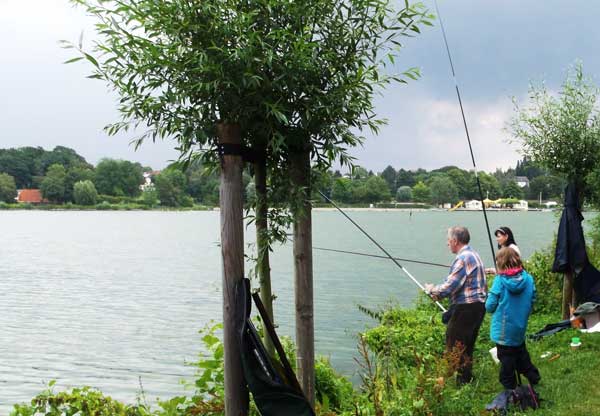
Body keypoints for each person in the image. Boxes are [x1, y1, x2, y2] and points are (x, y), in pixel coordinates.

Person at [425, 226, 487, 384]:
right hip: (478, 306)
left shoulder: (463, 258)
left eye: (448, 240)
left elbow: (450, 285)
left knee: (454, 343)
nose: (447, 244)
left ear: (455, 240)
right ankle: (465, 379)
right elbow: (457, 285)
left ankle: (449, 381)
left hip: (466, 307)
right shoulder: (474, 254)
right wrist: (439, 294)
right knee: (467, 344)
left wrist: (432, 289)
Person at [486, 247, 540, 391]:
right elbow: (533, 298)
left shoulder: (500, 280)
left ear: (500, 264)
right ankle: (533, 376)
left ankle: (510, 386)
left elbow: (490, 306)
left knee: (506, 358)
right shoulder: (528, 278)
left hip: (503, 329)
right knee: (520, 351)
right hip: (520, 325)